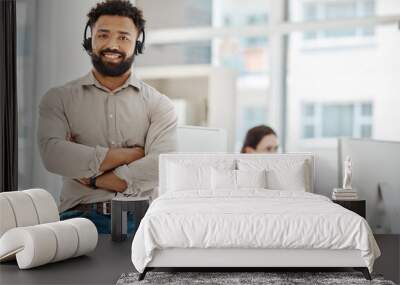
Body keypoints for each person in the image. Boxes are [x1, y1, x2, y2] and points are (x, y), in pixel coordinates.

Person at [37, 0, 177, 234]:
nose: (112, 44)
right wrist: (129, 155)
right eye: (103, 35)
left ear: (137, 42)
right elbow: (53, 155)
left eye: (123, 37)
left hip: (141, 222)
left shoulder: (159, 104)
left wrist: (93, 178)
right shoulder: (58, 98)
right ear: (90, 39)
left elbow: (161, 165)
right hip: (78, 220)